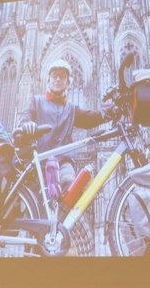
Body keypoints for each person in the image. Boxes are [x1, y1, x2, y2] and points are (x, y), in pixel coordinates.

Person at [17, 59, 107, 201]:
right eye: (54, 76)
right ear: (48, 80)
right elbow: (25, 118)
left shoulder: (71, 109)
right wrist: (27, 124)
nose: (58, 79)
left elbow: (90, 118)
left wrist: (107, 114)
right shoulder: (37, 101)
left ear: (68, 83)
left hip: (63, 162)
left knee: (70, 186)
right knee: (33, 201)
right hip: (39, 161)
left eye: (62, 76)